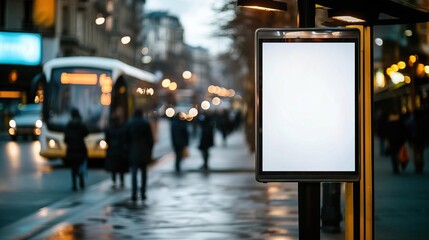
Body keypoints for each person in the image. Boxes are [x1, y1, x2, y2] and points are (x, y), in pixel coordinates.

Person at [126, 108, 154, 201]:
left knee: (134, 173)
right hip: (144, 151)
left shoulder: (130, 123)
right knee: (144, 173)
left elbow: (126, 139)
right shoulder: (145, 124)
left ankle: (134, 193)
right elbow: (151, 140)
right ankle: (143, 192)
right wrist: (149, 151)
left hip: (133, 151)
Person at [64, 108, 89, 191]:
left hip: (71, 149)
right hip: (80, 148)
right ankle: (81, 181)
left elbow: (65, 138)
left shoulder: (68, 125)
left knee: (73, 167)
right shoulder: (81, 124)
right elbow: (86, 133)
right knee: (81, 165)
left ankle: (74, 185)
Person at [104, 116, 128, 188]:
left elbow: (107, 139)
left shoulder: (109, 129)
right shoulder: (122, 129)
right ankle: (122, 181)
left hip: (112, 150)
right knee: (121, 167)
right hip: (120, 151)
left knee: (113, 167)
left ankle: (113, 181)